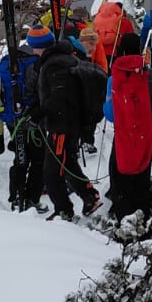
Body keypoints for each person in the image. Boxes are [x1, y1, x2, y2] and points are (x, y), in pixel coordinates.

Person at [25, 27, 101, 222]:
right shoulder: (63, 59)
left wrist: (39, 112)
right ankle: (89, 197)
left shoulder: (54, 65)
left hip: (62, 125)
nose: (32, 51)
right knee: (67, 163)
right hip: (67, 123)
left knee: (52, 171)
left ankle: (64, 210)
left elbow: (60, 97)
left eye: (33, 47)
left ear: (39, 47)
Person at [103, 34, 152, 219]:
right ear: (141, 50)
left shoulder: (115, 78)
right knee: (142, 173)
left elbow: (110, 114)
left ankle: (123, 214)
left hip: (123, 134)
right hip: (147, 133)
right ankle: (142, 214)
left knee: (120, 171)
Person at [0, 40, 42, 212]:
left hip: (9, 119)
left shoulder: (5, 62)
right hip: (29, 120)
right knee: (38, 160)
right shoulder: (34, 64)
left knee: (20, 159)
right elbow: (38, 92)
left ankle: (15, 197)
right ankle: (31, 200)